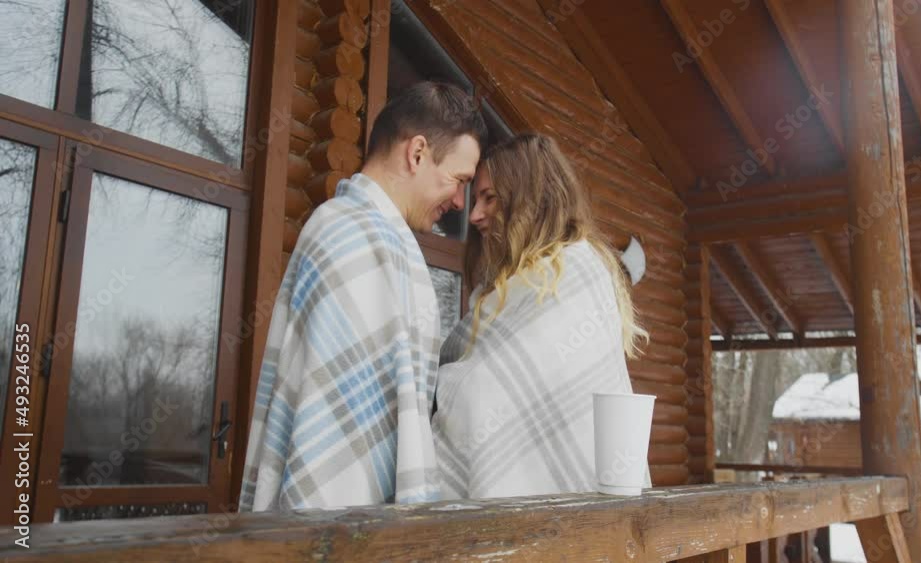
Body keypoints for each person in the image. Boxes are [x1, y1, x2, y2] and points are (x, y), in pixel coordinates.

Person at [240, 82, 486, 511]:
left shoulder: (369, 232)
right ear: (417, 153)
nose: (461, 202)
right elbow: (335, 436)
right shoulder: (352, 235)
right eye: (459, 180)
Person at [431, 133, 650, 499]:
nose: (474, 215)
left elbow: (485, 390)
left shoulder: (574, 271)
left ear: (529, 200)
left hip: (575, 498)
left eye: (490, 198)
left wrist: (438, 385)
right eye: (475, 199)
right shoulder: (508, 287)